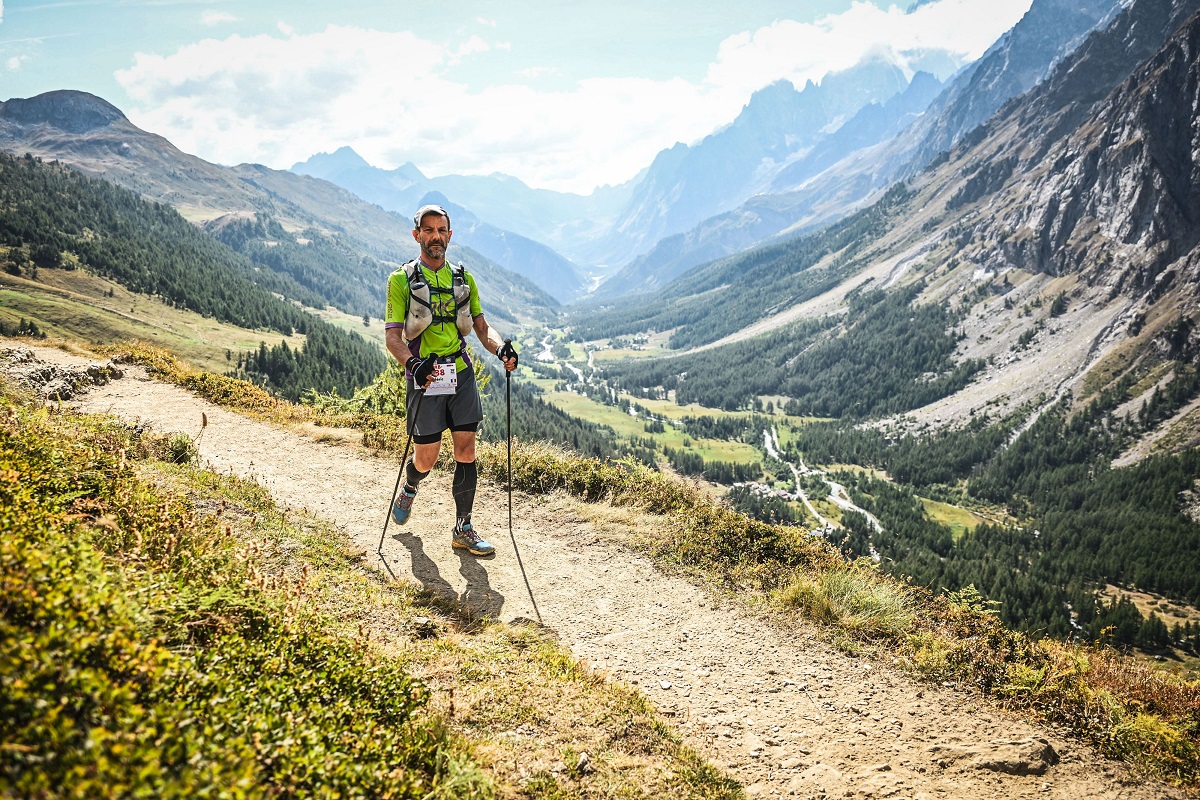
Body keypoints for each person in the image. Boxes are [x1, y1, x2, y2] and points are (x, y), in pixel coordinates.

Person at [384, 203, 518, 556]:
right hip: (426, 377)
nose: (435, 237)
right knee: (426, 458)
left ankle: (464, 528)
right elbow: (393, 338)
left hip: (459, 372)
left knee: (466, 450)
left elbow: (481, 326)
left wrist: (500, 348)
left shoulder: (463, 278)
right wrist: (414, 366)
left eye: (441, 230)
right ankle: (411, 486)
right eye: (428, 231)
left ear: (450, 235)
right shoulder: (400, 280)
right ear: (417, 236)